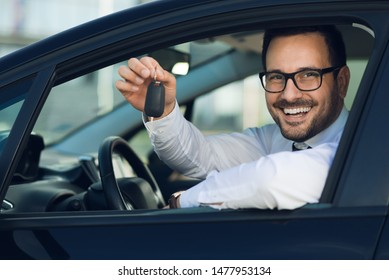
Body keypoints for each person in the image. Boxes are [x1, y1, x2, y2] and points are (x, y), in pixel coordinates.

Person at [115, 25, 350, 210]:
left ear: (341, 82)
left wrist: (183, 201)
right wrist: (163, 110)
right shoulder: (271, 140)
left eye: (308, 75)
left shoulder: (358, 144)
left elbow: (270, 179)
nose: (289, 94)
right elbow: (199, 156)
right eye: (276, 77)